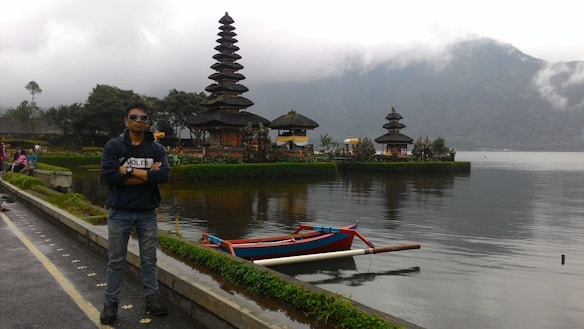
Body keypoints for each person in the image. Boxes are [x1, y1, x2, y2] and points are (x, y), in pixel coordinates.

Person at [99, 101, 171, 325]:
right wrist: (146, 175)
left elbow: (163, 176)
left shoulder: (156, 149)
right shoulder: (114, 146)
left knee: (149, 259)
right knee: (116, 260)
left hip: (147, 212)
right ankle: (111, 304)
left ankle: (152, 298)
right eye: (134, 117)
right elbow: (109, 176)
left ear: (148, 122)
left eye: (143, 118)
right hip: (119, 211)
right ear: (126, 121)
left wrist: (128, 170)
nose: (139, 121)